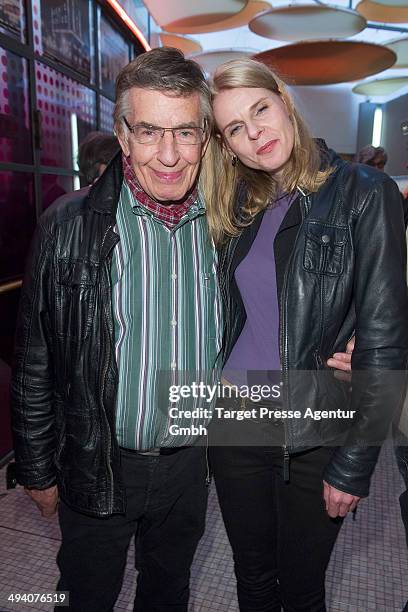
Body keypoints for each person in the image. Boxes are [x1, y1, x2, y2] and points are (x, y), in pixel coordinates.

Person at [10, 47, 222, 612]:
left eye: (185, 132)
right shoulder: (69, 224)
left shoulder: (230, 226)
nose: (170, 155)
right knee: (85, 596)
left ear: (206, 136)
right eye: (150, 131)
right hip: (97, 459)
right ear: (123, 136)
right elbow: (35, 359)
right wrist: (35, 468)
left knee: (168, 592)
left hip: (189, 465)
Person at [203, 58, 408, 611]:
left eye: (260, 110)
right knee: (252, 577)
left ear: (284, 102)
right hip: (238, 416)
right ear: (227, 146)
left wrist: (355, 461)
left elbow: (386, 338)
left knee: (300, 587)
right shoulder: (237, 206)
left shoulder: (366, 192)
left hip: (317, 428)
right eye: (235, 129)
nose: (256, 134)